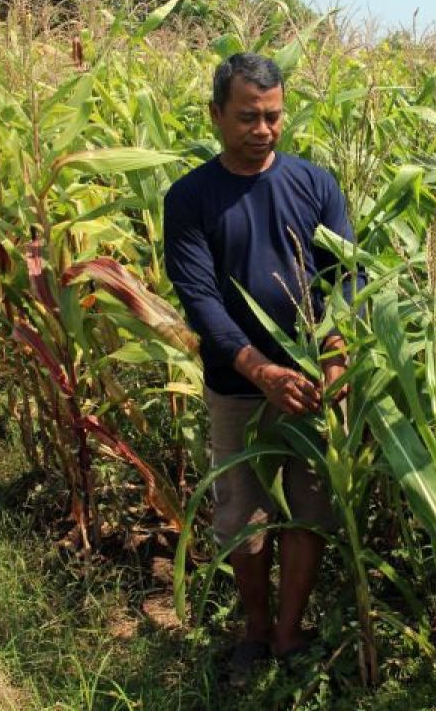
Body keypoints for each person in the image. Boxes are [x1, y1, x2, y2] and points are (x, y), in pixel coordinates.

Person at [162, 52, 359, 684]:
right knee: (242, 520)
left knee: (310, 510)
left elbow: (345, 276)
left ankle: (288, 631)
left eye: (273, 116)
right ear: (216, 114)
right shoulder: (190, 198)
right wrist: (258, 370)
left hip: (311, 384)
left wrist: (332, 356)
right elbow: (201, 300)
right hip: (238, 388)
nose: (263, 129)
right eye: (247, 116)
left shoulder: (315, 184)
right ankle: (252, 629)